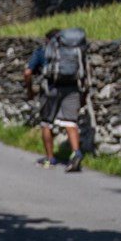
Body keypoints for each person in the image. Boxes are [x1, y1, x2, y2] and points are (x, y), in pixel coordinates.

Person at [25, 27, 90, 171]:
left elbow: (28, 72)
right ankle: (76, 153)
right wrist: (84, 95)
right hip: (73, 87)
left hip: (51, 89)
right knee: (70, 122)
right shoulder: (76, 51)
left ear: (50, 40)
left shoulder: (44, 51)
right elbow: (85, 73)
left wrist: (30, 90)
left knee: (46, 123)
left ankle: (50, 159)